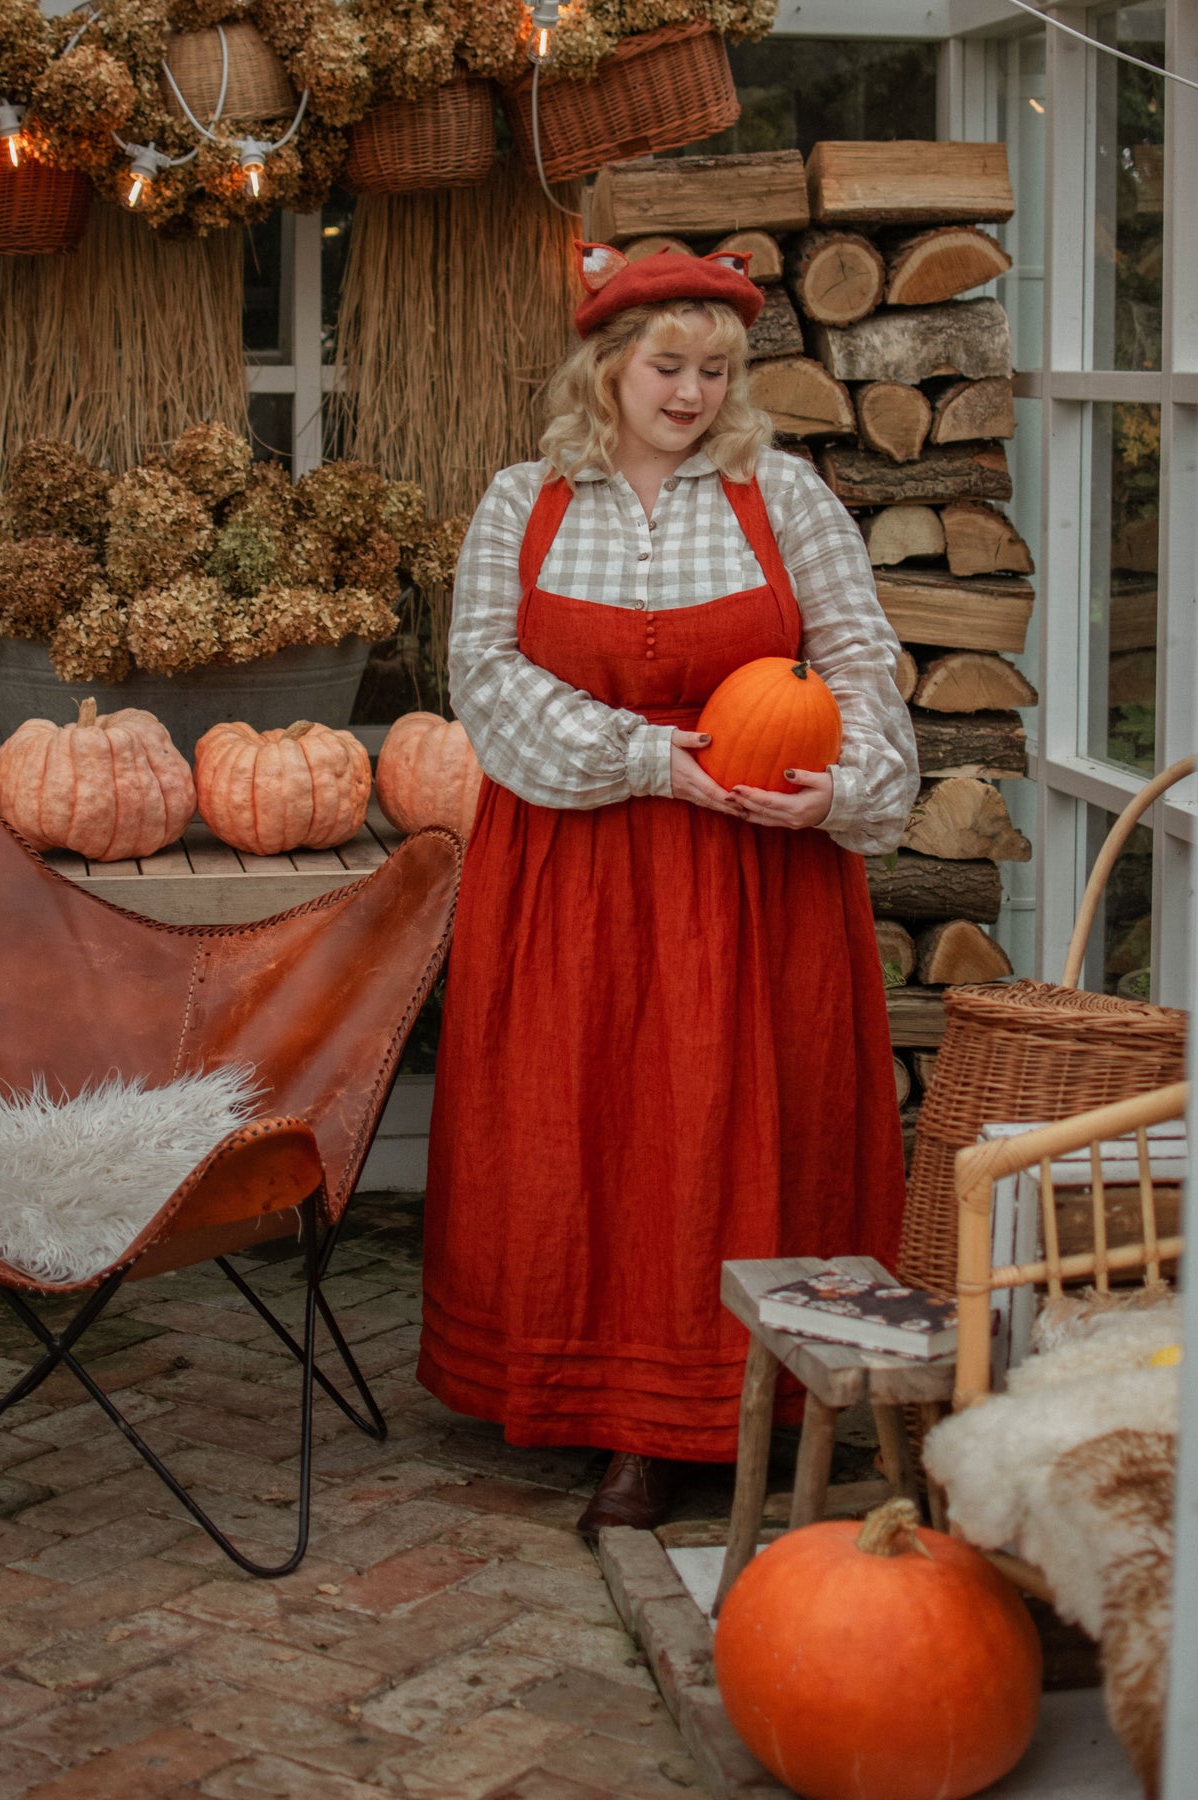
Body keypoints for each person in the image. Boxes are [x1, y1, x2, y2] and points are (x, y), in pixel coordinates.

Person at [417, 242, 919, 1533]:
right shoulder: (522, 500)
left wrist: (838, 783)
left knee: (731, 1127)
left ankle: (736, 1396)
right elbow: (481, 674)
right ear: (607, 363)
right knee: (588, 1125)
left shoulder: (782, 495)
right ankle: (616, 1419)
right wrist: (643, 755)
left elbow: (860, 656)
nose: (689, 393)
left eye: (712, 369)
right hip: (574, 872)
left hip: (756, 876)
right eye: (665, 366)